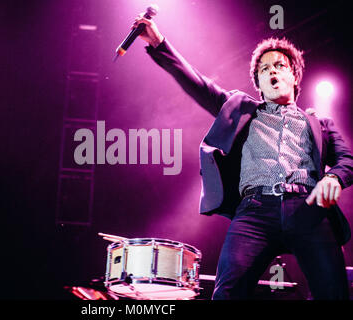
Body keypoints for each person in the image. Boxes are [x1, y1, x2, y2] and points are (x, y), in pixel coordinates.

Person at [131, 14, 353, 299]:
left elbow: (348, 160)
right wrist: (158, 43)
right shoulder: (241, 110)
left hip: (308, 208)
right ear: (258, 83)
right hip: (255, 211)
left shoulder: (320, 124)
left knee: (333, 293)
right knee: (227, 294)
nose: (272, 72)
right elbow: (197, 83)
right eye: (264, 69)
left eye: (279, 66)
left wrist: (334, 176)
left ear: (294, 76)